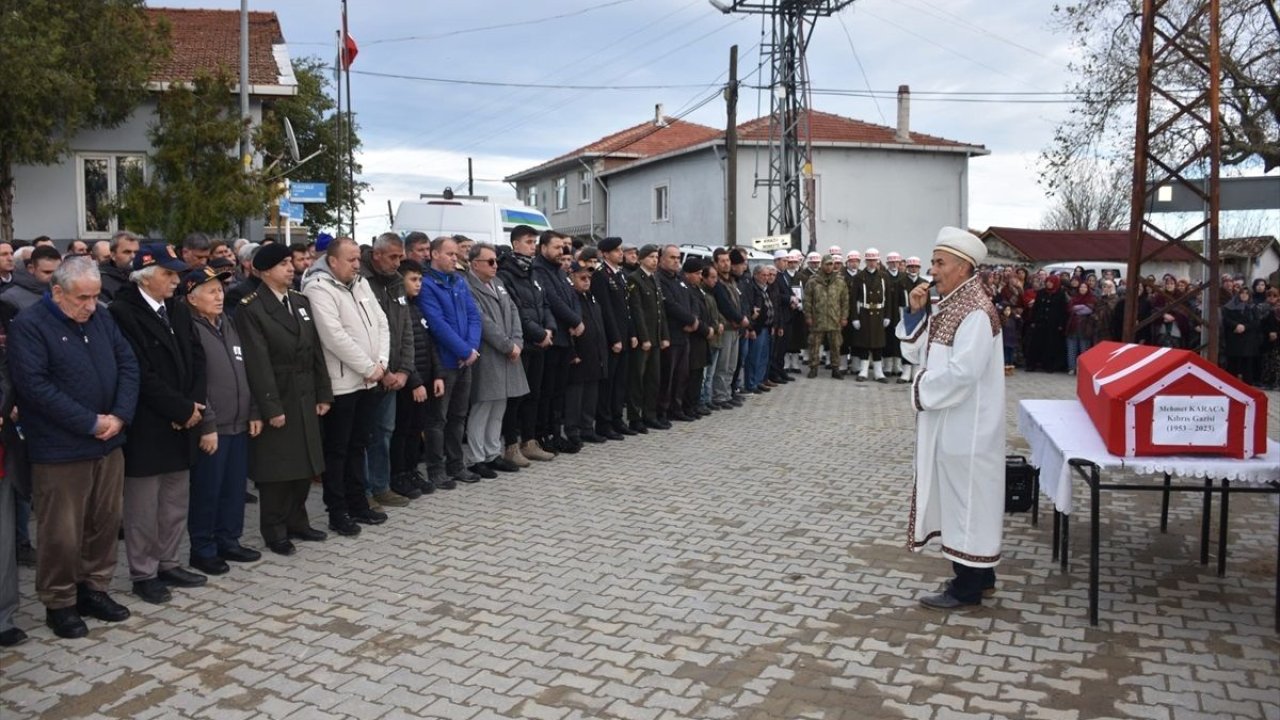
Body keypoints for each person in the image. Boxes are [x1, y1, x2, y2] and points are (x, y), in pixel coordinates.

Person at [9, 256, 139, 638]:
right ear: (56, 292)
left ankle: (94, 589)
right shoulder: (30, 326)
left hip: (109, 441)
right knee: (62, 530)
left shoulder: (102, 317)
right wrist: (89, 422)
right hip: (61, 448)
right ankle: (60, 601)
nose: (89, 305)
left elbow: (128, 365)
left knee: (104, 522)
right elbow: (35, 388)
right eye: (82, 298)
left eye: (95, 297)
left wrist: (119, 415)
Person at [897, 227, 1005, 610]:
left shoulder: (974, 310)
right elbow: (917, 351)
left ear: (963, 267)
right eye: (933, 261)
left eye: (940, 263)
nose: (933, 270)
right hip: (953, 424)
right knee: (965, 501)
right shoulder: (952, 304)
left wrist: (920, 390)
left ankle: (967, 587)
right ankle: (979, 576)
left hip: (968, 427)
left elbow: (963, 373)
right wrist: (914, 312)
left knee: (968, 503)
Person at [109, 244, 208, 605]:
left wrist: (193, 405)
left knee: (174, 500)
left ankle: (168, 562)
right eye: (168, 274)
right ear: (146, 277)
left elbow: (198, 358)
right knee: (143, 507)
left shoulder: (177, 310)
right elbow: (139, 373)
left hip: (184, 419)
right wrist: (180, 409)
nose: (176, 280)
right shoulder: (123, 313)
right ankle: (143, 573)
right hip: (150, 425)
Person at [233, 243, 333, 556]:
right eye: (282, 264)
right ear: (262, 272)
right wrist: (271, 407)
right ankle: (274, 529)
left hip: (305, 394)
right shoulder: (251, 307)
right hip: (279, 394)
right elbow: (257, 362)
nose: (290, 268)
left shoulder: (299, 301)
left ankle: (297, 520)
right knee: (277, 469)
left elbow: (315, 350)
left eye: (290, 262)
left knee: (305, 464)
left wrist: (323, 392)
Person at [302, 237, 391, 536]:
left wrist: (380, 363)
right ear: (333, 261)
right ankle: (337, 511)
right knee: (337, 450)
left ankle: (358, 503)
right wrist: (368, 368)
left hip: (369, 380)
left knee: (359, 445)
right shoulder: (318, 288)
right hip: (343, 383)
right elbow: (333, 336)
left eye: (358, 259)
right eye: (351, 260)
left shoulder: (361, 282)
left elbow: (381, 322)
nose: (357, 264)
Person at [185, 265, 261, 576]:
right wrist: (208, 423)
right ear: (192, 297)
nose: (220, 296)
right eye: (212, 291)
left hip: (239, 421)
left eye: (221, 290)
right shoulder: (189, 328)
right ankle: (203, 549)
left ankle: (229, 539)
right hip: (213, 427)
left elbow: (245, 370)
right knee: (208, 489)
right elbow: (197, 382)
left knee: (233, 488)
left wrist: (254, 410)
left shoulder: (227, 322)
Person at [418, 236, 483, 487]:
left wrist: (471, 349)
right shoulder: (427, 285)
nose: (455, 258)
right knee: (438, 420)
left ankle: (456, 464)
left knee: (458, 416)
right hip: (445, 362)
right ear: (434, 254)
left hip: (465, 359)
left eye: (456, 254)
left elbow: (473, 316)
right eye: (449, 254)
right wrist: (463, 350)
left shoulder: (458, 281)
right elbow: (437, 325)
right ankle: (436, 468)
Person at [463, 242, 528, 477]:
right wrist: (507, 345)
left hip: (509, 354)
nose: (495, 265)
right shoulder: (468, 286)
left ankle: (492, 453)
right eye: (490, 262)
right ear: (474, 263)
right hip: (489, 354)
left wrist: (518, 343)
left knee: (499, 406)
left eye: (495, 261)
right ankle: (475, 457)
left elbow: (513, 311)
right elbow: (482, 322)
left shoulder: (498, 283)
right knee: (483, 407)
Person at [361, 234, 415, 506]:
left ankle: (381, 486)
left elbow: (405, 329)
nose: (398, 262)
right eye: (393, 257)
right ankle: (364, 492)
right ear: (377, 254)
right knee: (364, 436)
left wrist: (404, 370)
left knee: (384, 432)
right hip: (369, 374)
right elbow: (360, 333)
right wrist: (382, 370)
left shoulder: (396, 283)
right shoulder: (361, 282)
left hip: (394, 375)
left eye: (400, 257)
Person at [496, 225, 555, 464]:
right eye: (529, 242)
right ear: (515, 244)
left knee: (535, 394)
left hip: (541, 343)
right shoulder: (506, 274)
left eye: (534, 242)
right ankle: (511, 445)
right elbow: (517, 311)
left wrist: (549, 329)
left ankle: (529, 441)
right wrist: (538, 333)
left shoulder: (534, 272)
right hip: (523, 344)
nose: (533, 247)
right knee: (516, 398)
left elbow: (545, 304)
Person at [392, 260, 444, 494]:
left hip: (425, 378)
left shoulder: (416, 307)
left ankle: (412, 470)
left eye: (420, 279)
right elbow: (402, 347)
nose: (419, 284)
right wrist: (414, 381)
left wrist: (437, 375)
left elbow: (429, 343)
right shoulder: (398, 308)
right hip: (409, 382)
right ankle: (399, 474)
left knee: (416, 429)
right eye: (413, 279)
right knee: (402, 430)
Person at [532, 231, 581, 452]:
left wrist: (577, 320)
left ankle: (555, 432)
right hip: (552, 339)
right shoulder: (539, 270)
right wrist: (573, 320)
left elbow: (572, 297)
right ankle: (543, 435)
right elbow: (552, 300)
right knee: (548, 391)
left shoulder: (560, 271)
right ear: (543, 248)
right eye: (556, 247)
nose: (561, 251)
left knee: (560, 391)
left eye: (563, 247)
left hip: (566, 338)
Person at [590, 237, 633, 439]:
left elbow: (626, 309)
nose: (620, 253)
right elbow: (606, 309)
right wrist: (615, 338)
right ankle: (604, 423)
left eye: (620, 250)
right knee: (608, 383)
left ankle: (617, 419)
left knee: (621, 382)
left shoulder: (620, 275)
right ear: (605, 254)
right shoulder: (601, 276)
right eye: (616, 250)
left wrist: (632, 333)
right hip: (611, 338)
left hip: (624, 336)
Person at [564, 261, 607, 446]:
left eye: (589, 278)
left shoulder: (591, 298)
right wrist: (572, 352)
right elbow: (568, 329)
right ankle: (572, 430)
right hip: (578, 355)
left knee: (591, 395)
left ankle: (587, 428)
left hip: (594, 354)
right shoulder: (571, 298)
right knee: (575, 397)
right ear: (572, 277)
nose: (587, 281)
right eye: (582, 278)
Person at [657, 247, 702, 423]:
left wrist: (694, 319)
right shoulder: (660, 279)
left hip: (685, 335)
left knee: (681, 375)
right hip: (671, 334)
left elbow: (693, 301)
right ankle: (662, 411)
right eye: (672, 257)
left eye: (678, 258)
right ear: (662, 259)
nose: (676, 261)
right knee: (667, 376)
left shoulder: (680, 279)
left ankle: (677, 408)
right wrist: (691, 320)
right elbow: (669, 305)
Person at [626, 245, 668, 431]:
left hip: (656, 337)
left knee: (654, 378)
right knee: (637, 379)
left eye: (656, 257)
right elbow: (637, 311)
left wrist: (664, 335)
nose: (654, 260)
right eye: (650, 257)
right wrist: (644, 338)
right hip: (645, 339)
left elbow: (660, 311)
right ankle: (636, 417)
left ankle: (650, 415)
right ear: (641, 259)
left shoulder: (654, 279)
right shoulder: (634, 279)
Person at [849, 248, 896, 382]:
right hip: (864, 313)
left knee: (878, 344)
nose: (871, 263)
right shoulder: (859, 277)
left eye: (874, 260)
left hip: (879, 314)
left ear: (878, 261)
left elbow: (888, 298)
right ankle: (863, 371)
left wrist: (888, 316)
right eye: (869, 260)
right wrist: (855, 318)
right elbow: (853, 299)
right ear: (865, 261)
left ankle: (878, 372)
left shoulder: (884, 276)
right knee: (864, 343)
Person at [709, 248, 747, 409]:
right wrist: (738, 318)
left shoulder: (732, 281)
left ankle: (728, 393)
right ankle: (720, 396)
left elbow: (739, 302)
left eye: (727, 260)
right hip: (725, 328)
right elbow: (725, 306)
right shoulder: (717, 284)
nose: (726, 264)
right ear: (716, 263)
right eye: (722, 261)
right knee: (722, 365)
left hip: (735, 328)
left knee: (732, 365)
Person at [804, 255, 849, 379]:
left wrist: (844, 317)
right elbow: (807, 300)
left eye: (831, 264)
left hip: (834, 318)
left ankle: (835, 369)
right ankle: (813, 368)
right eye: (826, 264)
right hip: (817, 318)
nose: (829, 267)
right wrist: (808, 316)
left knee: (835, 345)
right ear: (822, 265)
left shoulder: (840, 281)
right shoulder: (813, 281)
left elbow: (845, 301)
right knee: (814, 344)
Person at [0, 245, 61, 330]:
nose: (53, 277)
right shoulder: (8, 298)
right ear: (31, 268)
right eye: (47, 272)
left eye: (57, 272)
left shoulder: (66, 291)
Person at [740, 264, 777, 394]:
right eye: (764, 275)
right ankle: (751, 383)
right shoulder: (753, 288)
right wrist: (752, 328)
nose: (766, 278)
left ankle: (759, 380)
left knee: (763, 357)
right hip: (758, 328)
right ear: (756, 275)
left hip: (767, 327)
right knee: (753, 358)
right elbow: (752, 308)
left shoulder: (766, 289)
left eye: (768, 275)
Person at [97, 231, 139, 303]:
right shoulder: (100, 280)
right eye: (127, 252)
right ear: (113, 255)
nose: (133, 256)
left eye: (136, 252)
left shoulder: (143, 275)